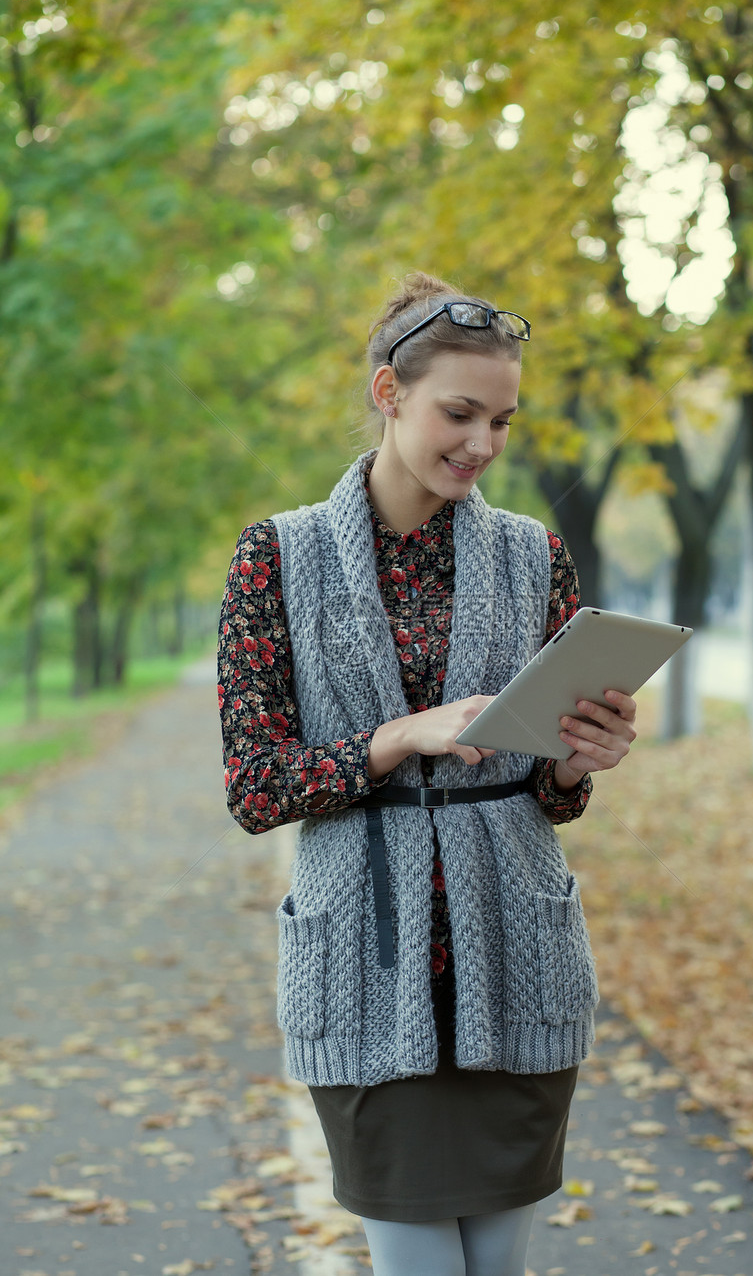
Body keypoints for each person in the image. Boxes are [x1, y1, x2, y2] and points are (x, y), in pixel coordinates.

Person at [217, 272, 637, 1276]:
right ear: (387, 393)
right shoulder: (278, 556)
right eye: (459, 412)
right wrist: (394, 738)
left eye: (500, 419)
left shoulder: (534, 556)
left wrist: (578, 761)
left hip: (514, 961)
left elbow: (548, 792)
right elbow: (255, 787)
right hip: (367, 972)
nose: (481, 443)